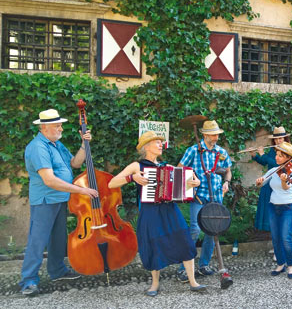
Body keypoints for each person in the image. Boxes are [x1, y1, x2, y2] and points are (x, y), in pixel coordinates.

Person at [107, 131, 205, 296]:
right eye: (157, 142)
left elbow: (185, 185)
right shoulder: (136, 166)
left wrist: (196, 182)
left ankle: (193, 281)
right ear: (146, 146)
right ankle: (155, 284)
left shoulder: (166, 167)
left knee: (184, 240)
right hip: (150, 210)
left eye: (161, 142)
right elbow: (112, 183)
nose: (161, 145)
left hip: (169, 209)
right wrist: (132, 178)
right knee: (153, 244)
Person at [19, 109, 97, 297]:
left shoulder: (56, 144)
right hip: (45, 200)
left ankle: (57, 271)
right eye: (57, 125)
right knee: (38, 241)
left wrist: (84, 144)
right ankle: (28, 280)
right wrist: (82, 190)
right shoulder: (38, 147)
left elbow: (75, 163)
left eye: (60, 124)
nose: (61, 128)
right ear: (44, 127)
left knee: (57, 239)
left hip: (60, 198)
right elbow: (50, 180)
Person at [177, 120, 232, 281]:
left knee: (212, 231)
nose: (216, 137)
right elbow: (178, 170)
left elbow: (228, 172)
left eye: (217, 134)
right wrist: (190, 180)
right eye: (214, 135)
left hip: (216, 197)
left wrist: (226, 182)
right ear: (205, 135)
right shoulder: (194, 151)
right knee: (194, 230)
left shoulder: (221, 152)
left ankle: (203, 265)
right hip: (198, 197)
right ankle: (183, 269)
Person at [255, 142, 292, 279]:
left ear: (288, 158)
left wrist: (283, 181)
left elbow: (287, 188)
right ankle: (280, 264)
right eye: (277, 154)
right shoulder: (273, 170)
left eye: (280, 156)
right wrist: (259, 182)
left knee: (285, 238)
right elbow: (262, 183)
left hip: (288, 208)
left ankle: (290, 266)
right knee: (275, 238)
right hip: (273, 207)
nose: (277, 157)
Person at [251, 126, 290, 233]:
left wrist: (262, 154)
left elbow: (277, 164)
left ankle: (277, 239)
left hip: (280, 183)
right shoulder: (273, 149)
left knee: (277, 211)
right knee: (268, 211)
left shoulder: (288, 149)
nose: (278, 141)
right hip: (269, 181)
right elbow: (266, 162)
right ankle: (271, 236)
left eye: (281, 138)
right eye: (276, 139)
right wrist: (255, 156)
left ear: (285, 139)